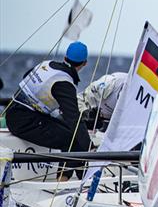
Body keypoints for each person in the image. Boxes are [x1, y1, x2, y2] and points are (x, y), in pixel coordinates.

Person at [5, 41, 92, 179]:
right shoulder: (64, 83)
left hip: (13, 113)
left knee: (73, 135)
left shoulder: (46, 65)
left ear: (65, 58)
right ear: (84, 63)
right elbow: (74, 118)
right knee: (74, 140)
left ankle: (78, 180)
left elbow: (25, 77)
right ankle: (68, 182)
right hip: (24, 122)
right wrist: (88, 146)